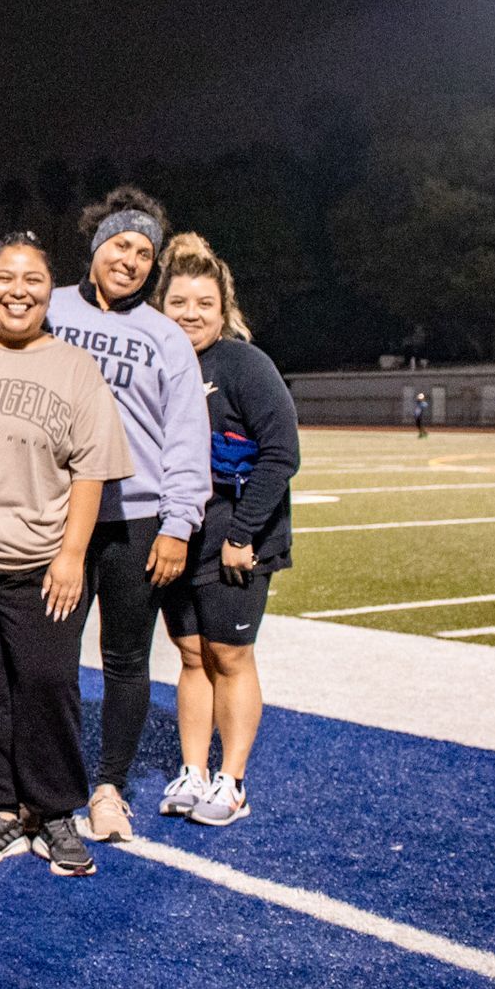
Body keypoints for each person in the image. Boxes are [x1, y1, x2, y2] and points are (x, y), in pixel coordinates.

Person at [0, 186, 209, 841]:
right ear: (97, 248)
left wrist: (179, 523)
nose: (131, 260)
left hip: (133, 521)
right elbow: (2, 352)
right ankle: (30, 790)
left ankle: (107, 787)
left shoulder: (165, 337)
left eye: (145, 253)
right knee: (47, 664)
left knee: (125, 658)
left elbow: (186, 434)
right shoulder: (50, 305)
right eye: (121, 245)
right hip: (51, 517)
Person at [0, 233, 132, 878]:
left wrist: (72, 554)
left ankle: (53, 809)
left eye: (33, 280)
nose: (18, 290)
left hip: (42, 559)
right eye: (4, 277)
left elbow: (91, 469)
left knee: (48, 685)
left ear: (52, 292)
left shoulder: (75, 366)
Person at [153, 233, 300, 827]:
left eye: (203, 304)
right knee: (190, 655)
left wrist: (243, 533)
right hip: (177, 537)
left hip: (235, 538)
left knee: (230, 655)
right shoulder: (159, 361)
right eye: (179, 303)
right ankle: (193, 770)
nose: (190, 314)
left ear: (223, 308)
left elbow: (281, 452)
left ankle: (231, 782)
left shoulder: (244, 363)